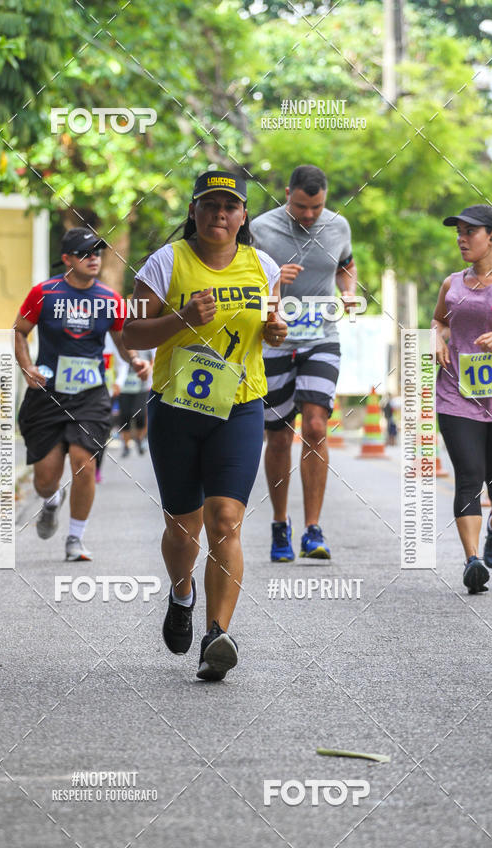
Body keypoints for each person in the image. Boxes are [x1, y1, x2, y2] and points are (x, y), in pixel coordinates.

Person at [123, 170, 286, 681]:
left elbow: (271, 330)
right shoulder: (166, 262)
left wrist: (277, 330)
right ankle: (181, 593)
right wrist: (182, 319)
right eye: (210, 205)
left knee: (225, 521)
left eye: (230, 206)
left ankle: (217, 635)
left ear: (243, 216)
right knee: (182, 524)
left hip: (240, 405)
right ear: (193, 211)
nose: (220, 214)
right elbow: (130, 332)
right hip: (176, 409)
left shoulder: (263, 265)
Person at [14, 227, 151, 561]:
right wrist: (27, 367)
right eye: (85, 253)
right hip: (48, 393)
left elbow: (121, 340)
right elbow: (19, 331)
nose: (94, 259)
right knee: (46, 479)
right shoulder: (43, 293)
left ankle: (75, 539)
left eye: (98, 253)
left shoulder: (110, 298)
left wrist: (134, 361)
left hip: (91, 394)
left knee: (84, 463)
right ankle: (51, 501)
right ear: (67, 259)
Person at [252, 165, 357, 562]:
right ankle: (281, 525)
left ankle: (313, 530)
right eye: (301, 206)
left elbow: (346, 265)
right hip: (274, 341)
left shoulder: (339, 227)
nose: (309, 215)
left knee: (315, 426)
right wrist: (274, 279)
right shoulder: (261, 229)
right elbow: (243, 278)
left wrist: (348, 292)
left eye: (316, 207)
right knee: (278, 435)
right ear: (286, 194)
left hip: (321, 338)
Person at [433, 204, 492, 594]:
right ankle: (471, 561)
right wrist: (436, 336)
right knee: (468, 479)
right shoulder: (452, 284)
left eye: (470, 232)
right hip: (457, 396)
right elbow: (440, 320)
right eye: (458, 232)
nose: (461, 239)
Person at [113, 348, 154, 457]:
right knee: (125, 416)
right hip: (124, 388)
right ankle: (126, 445)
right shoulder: (122, 347)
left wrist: (148, 371)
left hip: (141, 387)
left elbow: (152, 363)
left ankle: (139, 439)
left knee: (140, 416)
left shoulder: (146, 348)